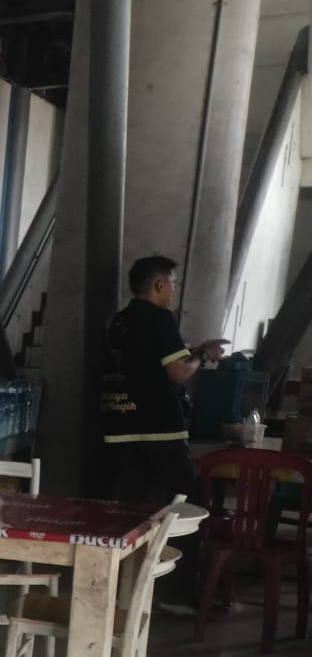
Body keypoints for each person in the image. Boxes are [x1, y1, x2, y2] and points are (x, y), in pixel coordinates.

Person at [101, 255, 227, 610]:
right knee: (182, 510)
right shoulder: (159, 317)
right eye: (172, 283)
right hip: (159, 428)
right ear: (158, 285)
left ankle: (126, 591)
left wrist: (193, 350)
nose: (174, 290)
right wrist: (203, 355)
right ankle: (176, 594)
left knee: (131, 511)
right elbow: (178, 372)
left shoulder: (119, 321)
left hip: (120, 425)